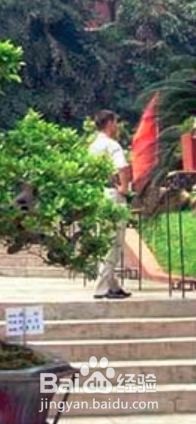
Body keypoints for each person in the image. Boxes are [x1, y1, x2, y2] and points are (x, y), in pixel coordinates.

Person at [89, 110, 132, 300]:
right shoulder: (112, 145)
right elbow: (122, 167)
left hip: (99, 194)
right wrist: (124, 188)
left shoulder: (93, 146)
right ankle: (102, 287)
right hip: (113, 195)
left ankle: (112, 285)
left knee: (105, 239)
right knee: (114, 242)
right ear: (109, 123)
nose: (117, 126)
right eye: (115, 122)